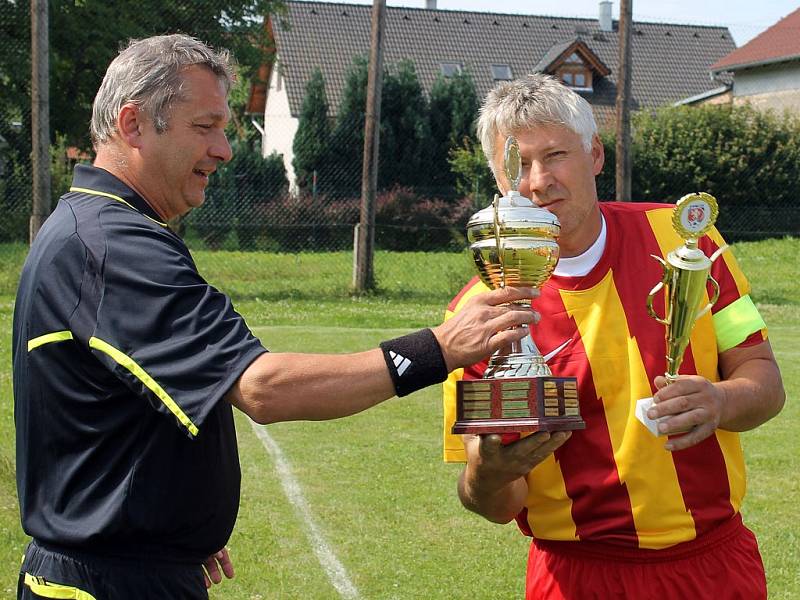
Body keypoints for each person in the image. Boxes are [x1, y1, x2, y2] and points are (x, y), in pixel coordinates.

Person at [11, 35, 540, 600]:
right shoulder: (112, 246)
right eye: (205, 126)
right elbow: (265, 389)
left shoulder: (92, 231)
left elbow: (119, 407)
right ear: (134, 123)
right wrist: (438, 347)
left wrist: (164, 529)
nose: (225, 149)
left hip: (124, 568)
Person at [442, 73, 785, 599]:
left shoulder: (685, 240)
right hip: (577, 576)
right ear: (498, 179)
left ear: (595, 154)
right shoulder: (477, 313)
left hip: (712, 565)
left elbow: (764, 380)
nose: (538, 181)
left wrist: (719, 399)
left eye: (555, 155)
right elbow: (495, 501)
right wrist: (486, 475)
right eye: (519, 165)